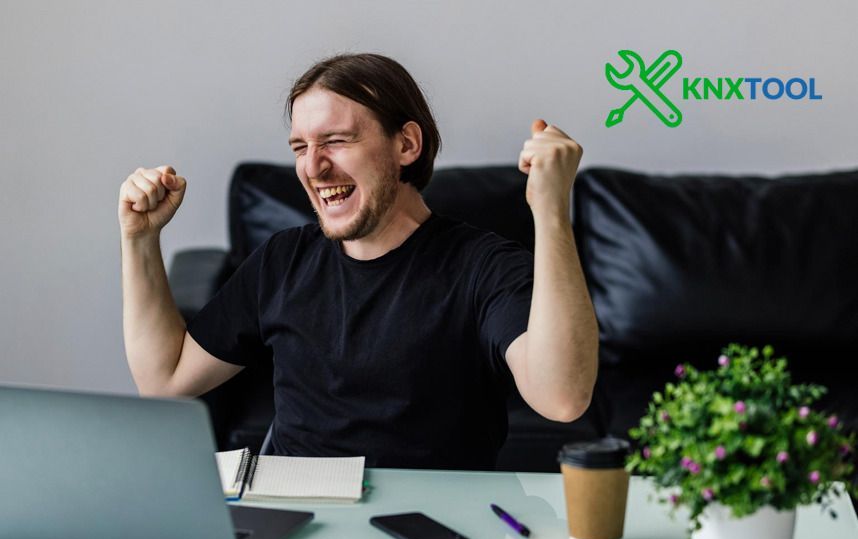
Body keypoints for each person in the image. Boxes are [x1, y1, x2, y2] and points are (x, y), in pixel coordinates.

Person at [119, 53, 598, 470]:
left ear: (406, 145)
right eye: (300, 147)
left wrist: (551, 210)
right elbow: (165, 380)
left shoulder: (483, 267)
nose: (313, 167)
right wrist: (140, 239)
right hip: (297, 516)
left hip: (433, 525)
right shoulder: (283, 260)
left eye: (336, 140)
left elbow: (563, 398)